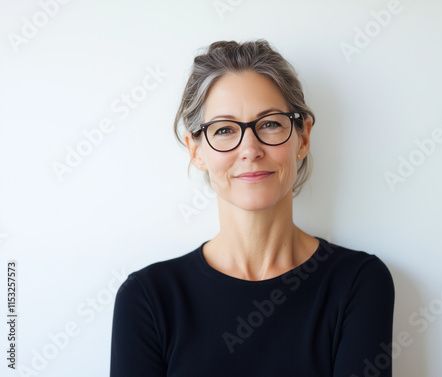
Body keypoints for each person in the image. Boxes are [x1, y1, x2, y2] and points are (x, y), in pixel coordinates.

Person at [110, 39, 394, 377]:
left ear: (302, 137)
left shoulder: (357, 284)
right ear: (196, 151)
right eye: (225, 130)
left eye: (270, 123)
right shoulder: (148, 299)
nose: (250, 149)